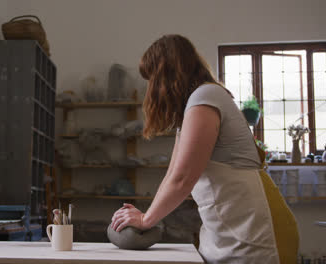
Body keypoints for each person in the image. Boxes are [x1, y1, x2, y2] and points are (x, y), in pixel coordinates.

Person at [110, 35, 299, 264]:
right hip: (230, 234)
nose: (152, 88)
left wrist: (145, 220)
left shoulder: (206, 97)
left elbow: (183, 179)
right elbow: (173, 174)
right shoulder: (193, 106)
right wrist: (145, 215)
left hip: (259, 234)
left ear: (167, 74)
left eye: (152, 78)